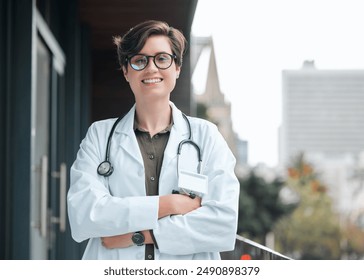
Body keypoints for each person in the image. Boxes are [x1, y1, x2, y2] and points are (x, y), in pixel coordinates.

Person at [67, 20, 239, 260]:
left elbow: (222, 225)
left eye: (162, 58)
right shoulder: (100, 135)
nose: (151, 68)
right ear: (126, 71)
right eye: (139, 60)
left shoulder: (206, 136)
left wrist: (139, 235)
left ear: (177, 68)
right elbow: (84, 215)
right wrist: (169, 204)